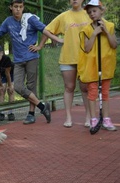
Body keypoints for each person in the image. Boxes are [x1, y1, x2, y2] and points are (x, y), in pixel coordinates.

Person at [0, 0, 63, 125]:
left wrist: (41, 45)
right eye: (15, 7)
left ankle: (30, 114)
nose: (18, 9)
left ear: (23, 7)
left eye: (20, 7)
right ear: (11, 8)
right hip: (18, 61)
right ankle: (42, 106)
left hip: (31, 57)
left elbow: (45, 30)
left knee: (31, 86)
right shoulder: (8, 21)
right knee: (17, 86)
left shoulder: (30, 19)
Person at [37, 0, 91, 128]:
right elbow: (46, 30)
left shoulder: (89, 14)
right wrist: (55, 40)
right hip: (67, 57)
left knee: (85, 88)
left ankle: (89, 117)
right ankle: (68, 117)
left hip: (86, 58)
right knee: (69, 87)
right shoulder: (64, 16)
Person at [77, 0, 117, 131]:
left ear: (101, 10)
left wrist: (105, 31)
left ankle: (106, 119)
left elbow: (114, 44)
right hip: (92, 67)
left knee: (105, 93)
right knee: (92, 93)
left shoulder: (110, 26)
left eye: (94, 11)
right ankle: (93, 119)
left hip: (106, 66)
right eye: (89, 12)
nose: (92, 14)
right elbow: (87, 48)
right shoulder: (86, 29)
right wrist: (94, 33)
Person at [0, 45, 15, 121]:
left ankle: (11, 112)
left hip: (11, 73)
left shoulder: (6, 59)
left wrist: (10, 85)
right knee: (1, 91)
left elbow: (8, 73)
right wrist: (0, 85)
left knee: (10, 91)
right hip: (2, 75)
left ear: (2, 53)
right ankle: (1, 112)